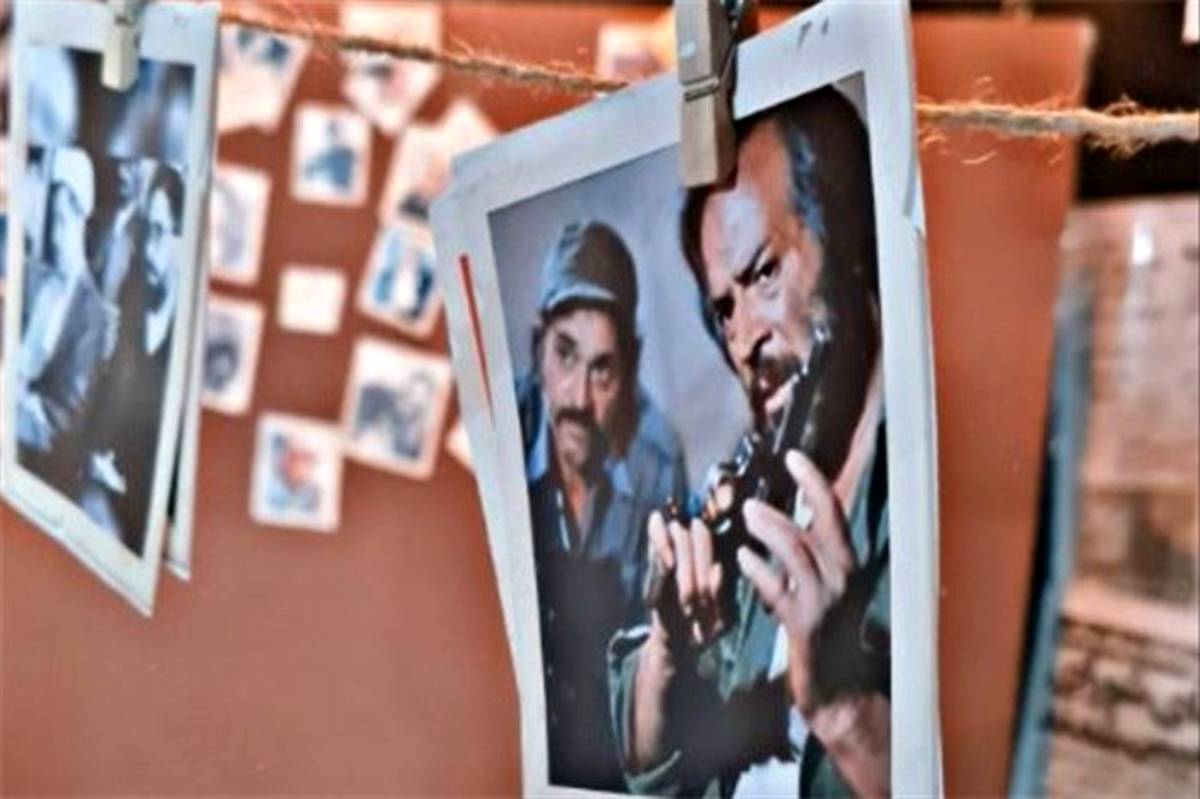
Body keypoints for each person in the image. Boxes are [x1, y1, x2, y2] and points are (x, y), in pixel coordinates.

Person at [608, 87, 890, 796]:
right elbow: (642, 759)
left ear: (848, 240)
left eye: (764, 274)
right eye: (723, 310)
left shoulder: (932, 486)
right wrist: (667, 651)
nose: (743, 342)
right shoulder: (754, 496)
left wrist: (845, 709)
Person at [516, 220, 689, 790]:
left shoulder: (658, 461)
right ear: (537, 347)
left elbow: (653, 654)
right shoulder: (499, 432)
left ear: (630, 367)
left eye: (603, 369)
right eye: (565, 356)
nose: (579, 399)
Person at [79, 163, 185, 555]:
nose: (149, 249)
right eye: (146, 231)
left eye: (160, 231)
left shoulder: (184, 341)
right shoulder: (131, 303)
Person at [16, 147, 111, 495]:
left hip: (33, 465)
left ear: (80, 217)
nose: (55, 235)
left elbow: (63, 425)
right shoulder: (39, 281)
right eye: (52, 219)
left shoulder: (92, 315)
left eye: (62, 220)